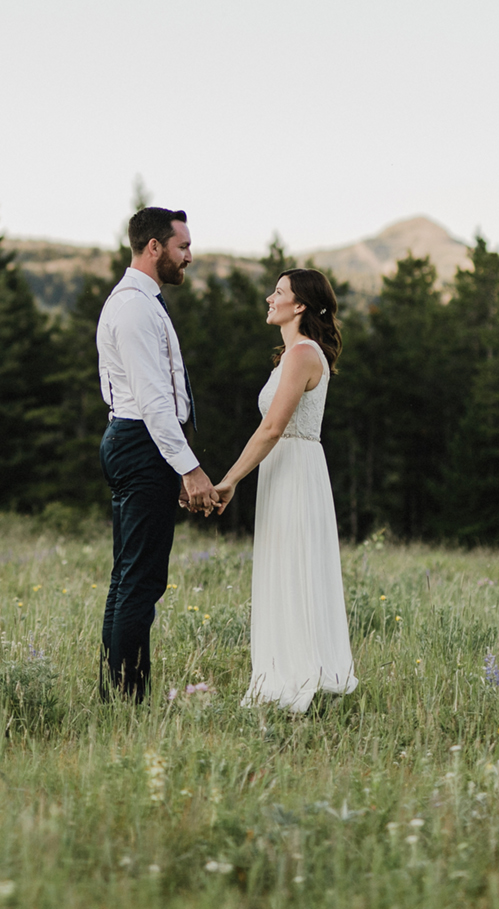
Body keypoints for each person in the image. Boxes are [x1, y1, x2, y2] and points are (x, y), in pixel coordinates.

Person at [212, 268, 358, 713]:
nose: (269, 298)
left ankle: (298, 675)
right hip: (287, 469)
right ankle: (286, 669)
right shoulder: (290, 356)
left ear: (299, 306)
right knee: (284, 567)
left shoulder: (301, 355)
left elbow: (273, 427)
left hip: (294, 467)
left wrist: (230, 479)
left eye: (278, 292)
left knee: (295, 567)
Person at [95, 206, 220, 701]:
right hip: (140, 442)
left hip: (136, 441)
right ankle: (128, 697)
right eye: (182, 247)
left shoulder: (142, 302)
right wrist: (190, 470)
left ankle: (117, 695)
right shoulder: (134, 307)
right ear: (154, 247)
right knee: (140, 581)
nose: (189, 256)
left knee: (129, 576)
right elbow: (152, 402)